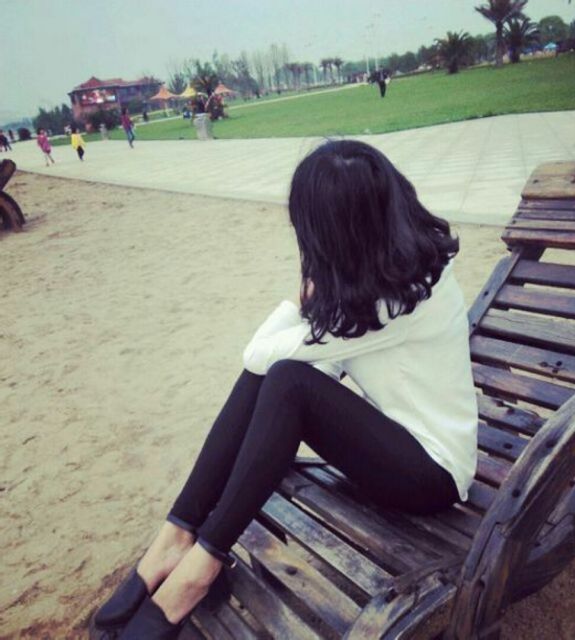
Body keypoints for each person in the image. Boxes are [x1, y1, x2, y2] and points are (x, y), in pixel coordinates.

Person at [93, 140, 478, 639]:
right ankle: (176, 536)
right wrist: (315, 309)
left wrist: (300, 304)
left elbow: (258, 356)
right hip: (397, 451)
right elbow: (316, 365)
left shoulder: (398, 303)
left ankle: (198, 567)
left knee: (285, 380)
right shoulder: (391, 274)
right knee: (283, 377)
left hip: (432, 477)